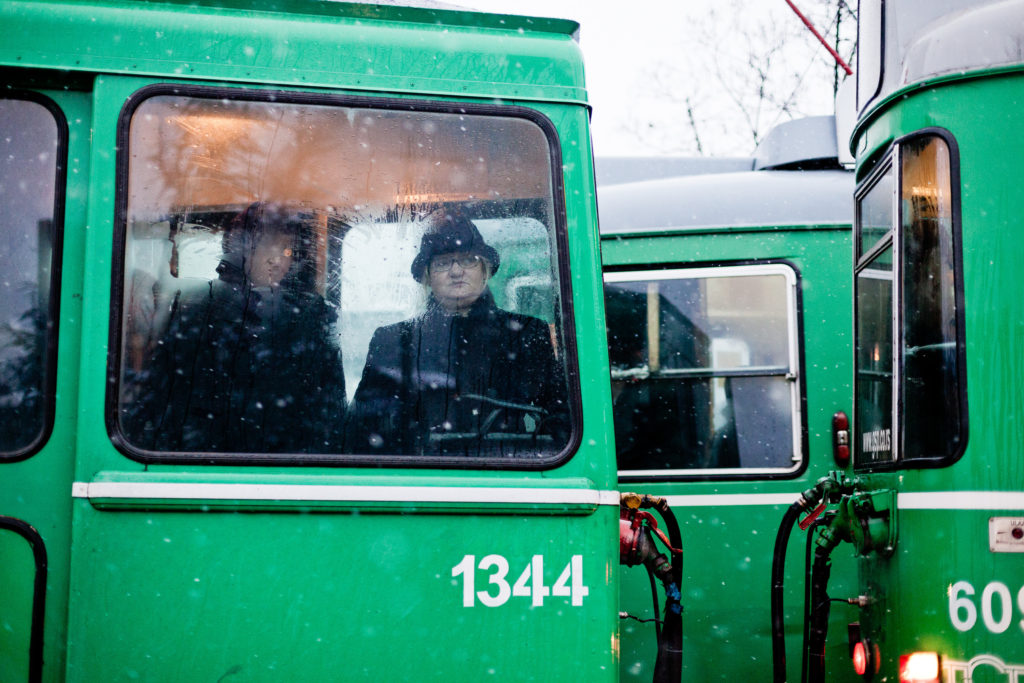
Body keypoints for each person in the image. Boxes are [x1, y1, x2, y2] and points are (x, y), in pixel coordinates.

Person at [123, 201, 346, 454]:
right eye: (266, 247)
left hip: (290, 454)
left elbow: (327, 403)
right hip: (208, 454)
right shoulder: (198, 309)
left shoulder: (310, 315)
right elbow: (169, 396)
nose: (278, 260)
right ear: (241, 249)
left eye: (286, 250)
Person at [345, 210, 568, 457]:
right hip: (416, 473)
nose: (456, 271)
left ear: (486, 270)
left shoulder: (526, 333)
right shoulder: (392, 340)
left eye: (469, 259)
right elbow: (366, 428)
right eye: (442, 263)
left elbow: (559, 419)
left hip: (506, 473)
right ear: (426, 277)